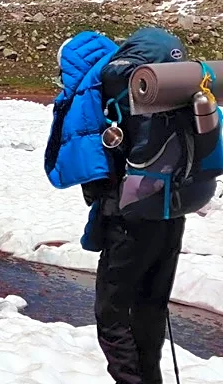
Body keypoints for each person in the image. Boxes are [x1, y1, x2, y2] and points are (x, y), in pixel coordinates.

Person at [45, 27, 220, 384]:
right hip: (172, 209)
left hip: (130, 217)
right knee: (150, 309)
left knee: (113, 315)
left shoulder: (98, 93)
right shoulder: (146, 87)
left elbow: (93, 168)